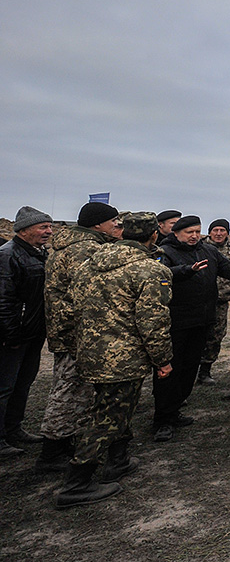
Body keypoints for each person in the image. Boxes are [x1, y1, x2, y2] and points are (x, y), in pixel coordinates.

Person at [55, 211, 173, 509]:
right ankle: (76, 483)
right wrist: (163, 360)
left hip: (89, 353)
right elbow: (153, 323)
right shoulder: (150, 270)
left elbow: (71, 307)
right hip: (123, 359)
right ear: (153, 235)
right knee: (108, 417)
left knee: (114, 408)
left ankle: (117, 461)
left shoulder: (88, 264)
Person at [36, 202, 123, 474]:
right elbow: (93, 293)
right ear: (97, 224)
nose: (118, 226)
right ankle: (52, 451)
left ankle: (66, 441)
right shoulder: (85, 250)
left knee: (74, 387)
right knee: (70, 389)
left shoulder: (73, 246)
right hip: (78, 331)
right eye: (114, 222)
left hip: (71, 328)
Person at [153, 215, 230, 441]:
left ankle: (175, 410)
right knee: (170, 371)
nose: (195, 236)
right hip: (176, 322)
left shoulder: (208, 250)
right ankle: (162, 420)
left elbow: (227, 269)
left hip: (202, 320)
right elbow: (162, 276)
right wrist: (187, 270)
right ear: (176, 233)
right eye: (190, 232)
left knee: (189, 369)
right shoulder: (165, 252)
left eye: (197, 231)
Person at [0, 206, 53, 457]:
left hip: (32, 332)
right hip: (13, 336)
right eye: (43, 227)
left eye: (49, 227)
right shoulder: (7, 255)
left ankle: (14, 428)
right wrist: (11, 334)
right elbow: (4, 299)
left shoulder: (38, 253)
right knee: (4, 387)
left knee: (23, 384)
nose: (48, 231)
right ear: (24, 230)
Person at [197, 219, 230, 385]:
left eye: (222, 230)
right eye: (215, 230)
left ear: (227, 232)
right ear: (209, 232)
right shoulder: (199, 248)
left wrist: (229, 287)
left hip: (221, 300)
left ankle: (205, 371)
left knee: (216, 335)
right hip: (199, 301)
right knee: (195, 335)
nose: (218, 233)